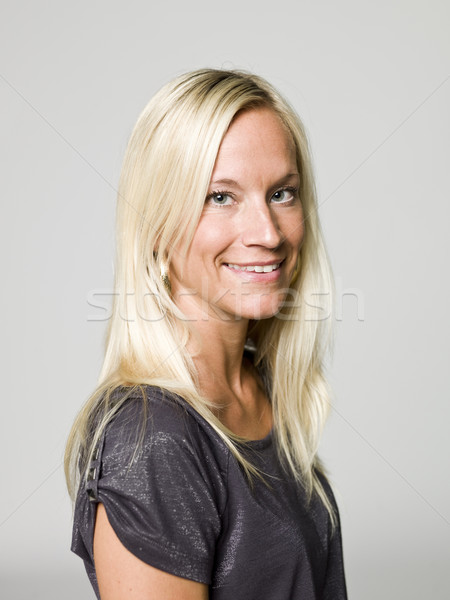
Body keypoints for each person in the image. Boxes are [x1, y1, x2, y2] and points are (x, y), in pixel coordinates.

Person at [65, 68, 347, 600]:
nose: (267, 233)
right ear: (156, 224)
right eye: (221, 197)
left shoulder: (263, 390)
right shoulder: (152, 440)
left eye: (282, 193)